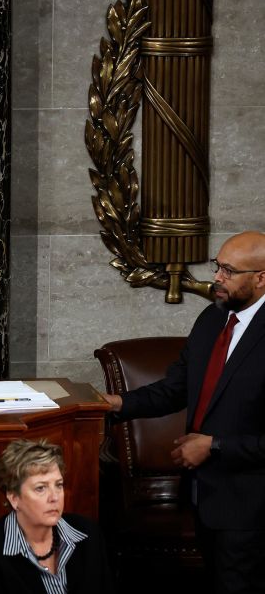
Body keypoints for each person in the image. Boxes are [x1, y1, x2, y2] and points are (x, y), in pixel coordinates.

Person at [102, 230, 265, 593]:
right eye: (217, 266)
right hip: (202, 496)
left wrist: (215, 446)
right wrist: (118, 404)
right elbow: (176, 388)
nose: (217, 277)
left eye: (228, 270)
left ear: (260, 278)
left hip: (251, 508)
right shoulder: (212, 318)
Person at [0, 439, 115, 593]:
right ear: (14, 498)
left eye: (58, 485)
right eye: (40, 488)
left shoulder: (88, 534)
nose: (54, 497)